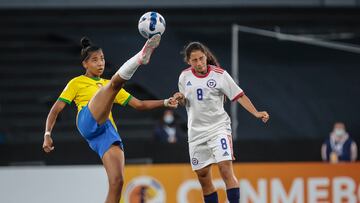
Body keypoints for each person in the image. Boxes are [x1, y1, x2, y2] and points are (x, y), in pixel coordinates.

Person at [42, 35, 178, 203]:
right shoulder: (76, 83)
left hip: (106, 132)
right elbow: (55, 110)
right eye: (94, 60)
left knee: (117, 182)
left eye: (102, 59)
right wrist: (47, 134)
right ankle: (140, 57)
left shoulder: (108, 85)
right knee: (114, 85)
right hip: (87, 120)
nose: (100, 63)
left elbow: (140, 104)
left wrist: (165, 102)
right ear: (85, 64)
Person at [173, 42, 269, 203]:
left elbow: (239, 95)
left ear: (206, 56)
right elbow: (185, 101)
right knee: (203, 177)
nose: (199, 63)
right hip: (196, 133)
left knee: (225, 168)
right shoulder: (184, 77)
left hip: (218, 129)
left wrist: (256, 113)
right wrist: (180, 98)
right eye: (194, 60)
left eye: (201, 58)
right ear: (189, 61)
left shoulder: (219, 75)